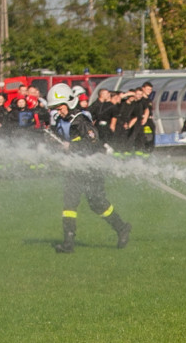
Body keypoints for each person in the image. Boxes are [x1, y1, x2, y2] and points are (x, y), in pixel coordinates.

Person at [46, 83, 131, 254]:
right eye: (55, 108)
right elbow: (62, 140)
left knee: (97, 203)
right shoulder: (61, 121)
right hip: (74, 167)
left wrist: (71, 147)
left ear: (69, 103)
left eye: (60, 107)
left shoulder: (81, 119)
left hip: (91, 166)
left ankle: (122, 228)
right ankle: (68, 242)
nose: (58, 111)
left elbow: (92, 142)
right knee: (69, 203)